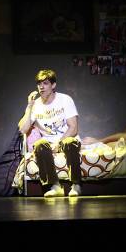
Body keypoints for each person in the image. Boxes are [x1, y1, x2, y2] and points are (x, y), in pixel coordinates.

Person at [18, 69, 82, 197]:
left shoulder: (65, 99)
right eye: (39, 84)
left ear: (53, 85)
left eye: (45, 83)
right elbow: (23, 130)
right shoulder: (35, 105)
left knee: (70, 142)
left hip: (66, 138)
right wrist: (29, 107)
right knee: (39, 145)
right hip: (48, 143)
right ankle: (55, 186)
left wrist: (58, 143)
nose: (41, 87)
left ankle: (76, 185)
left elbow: (73, 128)